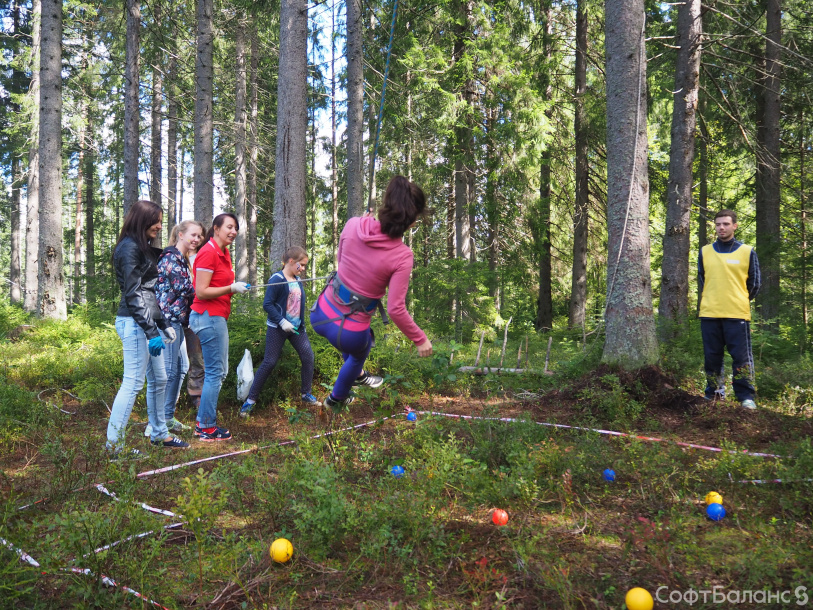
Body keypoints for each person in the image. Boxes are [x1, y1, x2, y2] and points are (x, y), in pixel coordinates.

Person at [310, 175, 433, 412]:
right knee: (360, 350)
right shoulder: (402, 255)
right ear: (411, 221)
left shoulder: (353, 224)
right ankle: (335, 400)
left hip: (320, 314)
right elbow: (395, 309)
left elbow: (341, 261)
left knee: (353, 346)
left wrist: (363, 224)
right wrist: (420, 339)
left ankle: (356, 375)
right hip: (350, 333)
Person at [107, 200, 190, 456]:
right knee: (132, 382)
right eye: (156, 221)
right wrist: (152, 332)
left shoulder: (141, 247)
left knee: (160, 378)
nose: (160, 226)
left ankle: (159, 434)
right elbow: (133, 295)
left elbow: (148, 293)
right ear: (143, 220)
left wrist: (162, 324)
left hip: (146, 323)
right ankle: (115, 447)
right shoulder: (129, 248)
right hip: (134, 323)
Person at [240, 246, 320, 417]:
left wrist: (299, 323)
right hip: (278, 328)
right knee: (269, 362)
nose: (303, 269)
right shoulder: (277, 279)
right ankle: (250, 401)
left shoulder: (297, 280)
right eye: (301, 265)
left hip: (296, 328)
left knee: (308, 357)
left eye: (305, 266)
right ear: (291, 261)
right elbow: (267, 304)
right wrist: (282, 321)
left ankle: (306, 394)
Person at [190, 213, 249, 440]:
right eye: (229, 227)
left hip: (215, 316)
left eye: (236, 228)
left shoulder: (223, 253)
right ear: (216, 228)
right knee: (216, 372)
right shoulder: (208, 252)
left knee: (219, 371)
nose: (233, 232)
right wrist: (232, 288)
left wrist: (232, 289)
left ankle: (204, 423)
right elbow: (201, 291)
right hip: (208, 316)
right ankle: (205, 426)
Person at [698, 209, 761, 409]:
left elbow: (755, 284)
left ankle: (745, 397)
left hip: (737, 314)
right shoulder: (705, 251)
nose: (721, 228)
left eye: (725, 224)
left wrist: (738, 298)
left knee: (741, 359)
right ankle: (714, 393)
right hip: (709, 313)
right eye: (718, 224)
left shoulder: (747, 252)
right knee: (712, 357)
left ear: (734, 226)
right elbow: (702, 280)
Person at [152, 220, 206, 437]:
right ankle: (156, 423)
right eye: (193, 235)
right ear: (181, 235)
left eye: (199, 236)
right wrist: (212, 289)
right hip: (167, 321)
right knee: (168, 371)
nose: (197, 239)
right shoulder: (170, 257)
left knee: (182, 367)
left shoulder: (182, 259)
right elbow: (183, 288)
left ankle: (167, 416)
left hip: (179, 321)